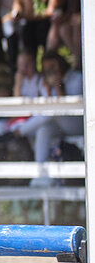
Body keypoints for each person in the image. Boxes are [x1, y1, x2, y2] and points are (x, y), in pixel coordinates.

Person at [11, 51, 84, 184]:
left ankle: (20, 131)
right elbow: (48, 109)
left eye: (52, 67)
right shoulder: (46, 83)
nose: (50, 71)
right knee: (44, 129)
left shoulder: (76, 79)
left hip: (79, 123)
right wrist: (49, 91)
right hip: (59, 124)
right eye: (46, 69)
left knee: (53, 112)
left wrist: (57, 85)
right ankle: (41, 173)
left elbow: (66, 110)